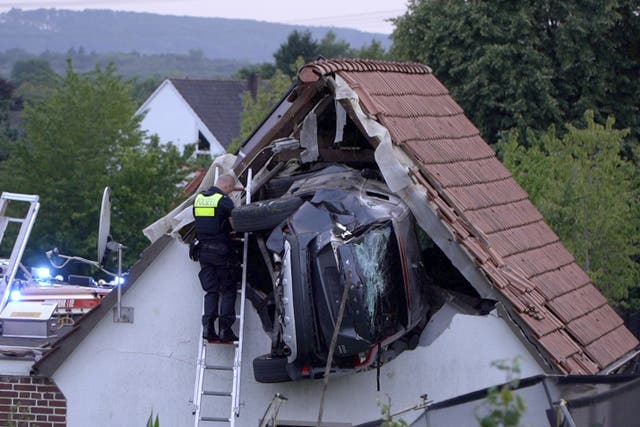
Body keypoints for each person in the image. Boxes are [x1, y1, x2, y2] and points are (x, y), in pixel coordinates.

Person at [193, 174, 243, 343]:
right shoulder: (224, 201)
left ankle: (208, 328)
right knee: (228, 290)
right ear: (228, 187)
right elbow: (235, 224)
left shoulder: (199, 198)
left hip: (203, 252)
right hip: (221, 252)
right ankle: (225, 330)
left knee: (211, 291)